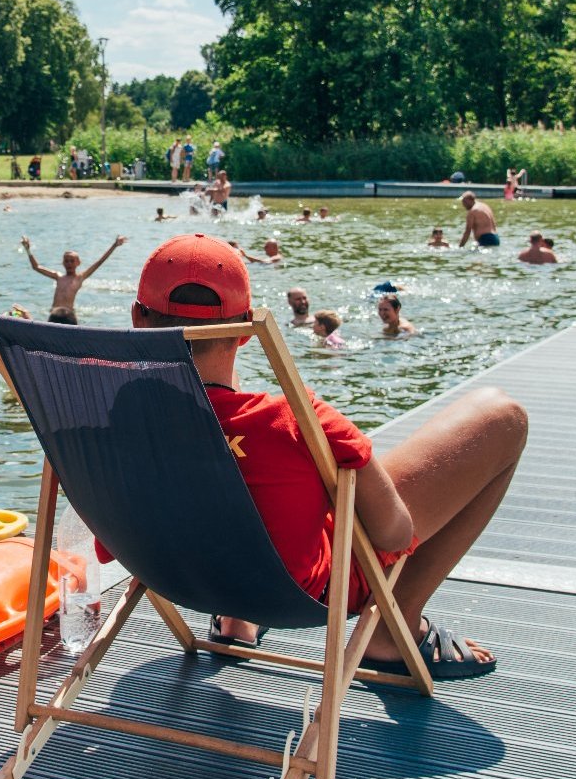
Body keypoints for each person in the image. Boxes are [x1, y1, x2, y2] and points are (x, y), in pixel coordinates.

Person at [130, 234, 523, 672]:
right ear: (244, 331)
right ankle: (392, 630)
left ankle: (236, 621)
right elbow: (394, 535)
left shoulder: (105, 416)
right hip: (301, 596)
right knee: (504, 416)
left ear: (136, 319)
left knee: (233, 473)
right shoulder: (296, 419)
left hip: (173, 578)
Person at [23, 234, 127, 318]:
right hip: (54, 313)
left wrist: (114, 245)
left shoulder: (80, 278)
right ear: (63, 263)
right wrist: (28, 250)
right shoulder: (58, 277)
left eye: (72, 261)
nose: (69, 263)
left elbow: (99, 262)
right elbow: (36, 267)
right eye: (66, 261)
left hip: (68, 315)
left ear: (78, 263)